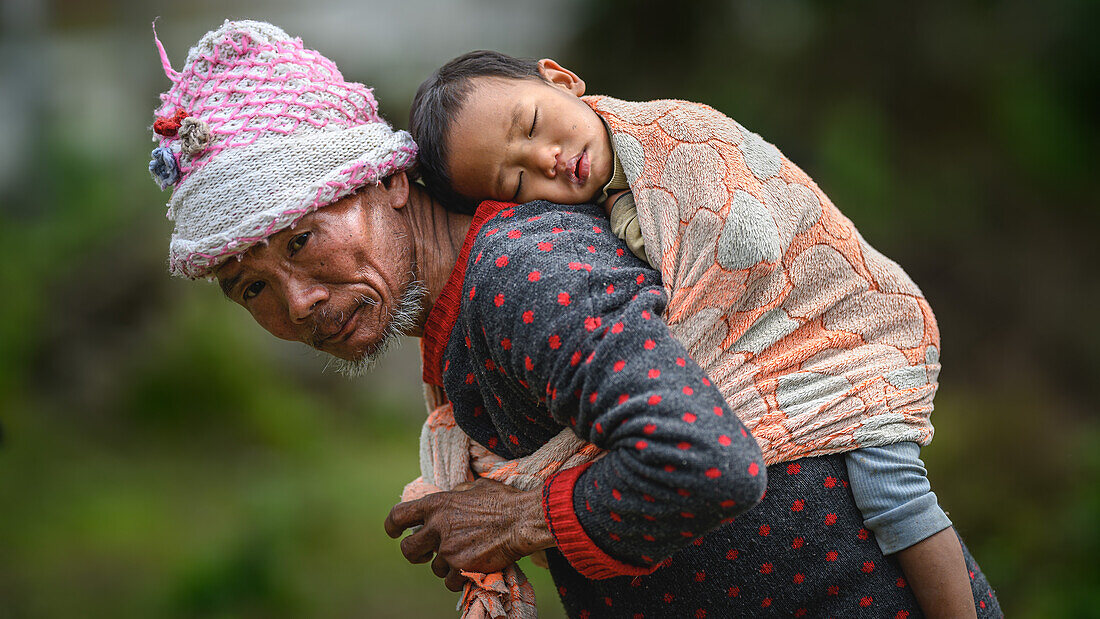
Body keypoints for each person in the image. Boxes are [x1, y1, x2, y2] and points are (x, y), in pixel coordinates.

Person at [148, 21, 1001, 617]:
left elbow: (705, 461)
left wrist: (517, 517)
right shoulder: (461, 316)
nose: (296, 301)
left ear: (387, 182)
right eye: (248, 287)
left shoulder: (518, 272)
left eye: (302, 240)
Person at [409, 50, 992, 617]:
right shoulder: (587, 219)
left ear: (561, 80)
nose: (546, 159)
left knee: (892, 492)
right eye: (515, 181)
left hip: (840, 330)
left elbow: (749, 242)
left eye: (532, 125)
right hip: (771, 361)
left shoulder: (676, 138)